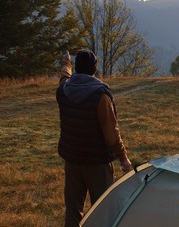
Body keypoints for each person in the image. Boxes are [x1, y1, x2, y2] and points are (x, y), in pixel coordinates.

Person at [56, 49, 132, 227]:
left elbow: (64, 76)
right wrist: (124, 159)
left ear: (77, 68)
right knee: (103, 209)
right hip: (97, 163)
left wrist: (66, 62)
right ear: (95, 69)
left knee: (73, 211)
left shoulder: (64, 90)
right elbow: (111, 135)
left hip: (72, 160)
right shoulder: (100, 96)